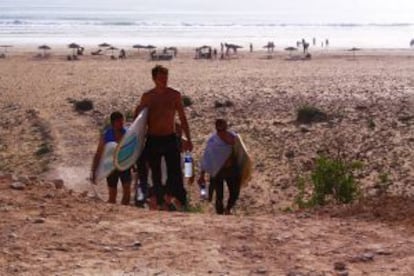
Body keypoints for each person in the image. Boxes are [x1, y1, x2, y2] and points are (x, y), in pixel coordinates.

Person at [134, 65, 193, 210]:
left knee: (175, 172)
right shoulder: (148, 96)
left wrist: (189, 138)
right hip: (153, 138)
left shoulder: (174, 95)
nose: (164, 80)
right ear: (154, 79)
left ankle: (176, 198)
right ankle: (154, 200)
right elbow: (139, 120)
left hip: (170, 138)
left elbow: (183, 118)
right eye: (161, 78)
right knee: (154, 172)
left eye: (166, 77)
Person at [198, 119, 240, 215]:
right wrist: (202, 175)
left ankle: (228, 209)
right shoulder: (213, 141)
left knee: (235, 192)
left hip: (231, 169)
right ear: (217, 129)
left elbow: (241, 153)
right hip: (218, 171)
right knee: (219, 195)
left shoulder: (233, 137)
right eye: (220, 129)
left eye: (224, 128)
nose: (222, 131)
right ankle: (220, 215)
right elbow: (206, 158)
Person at [91, 111, 131, 205]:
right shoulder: (106, 135)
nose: (122, 124)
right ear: (113, 123)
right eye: (119, 122)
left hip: (124, 164)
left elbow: (132, 149)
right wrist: (94, 171)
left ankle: (124, 212)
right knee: (112, 194)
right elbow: (98, 154)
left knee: (127, 189)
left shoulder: (128, 133)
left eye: (122, 121)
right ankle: (113, 214)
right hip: (110, 166)